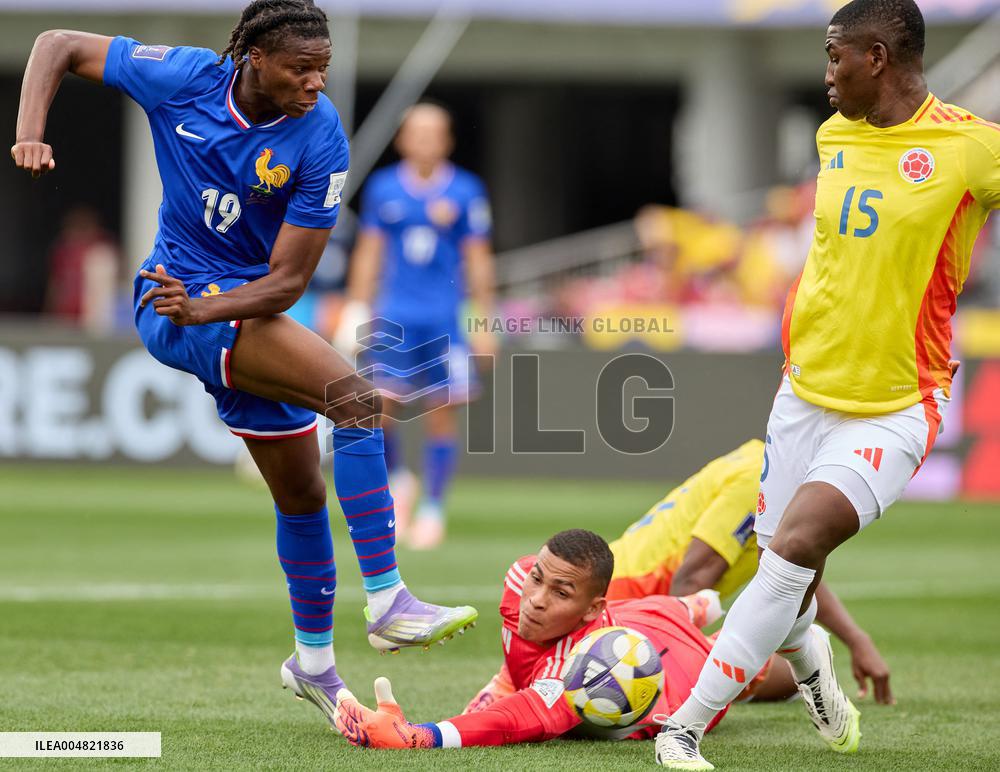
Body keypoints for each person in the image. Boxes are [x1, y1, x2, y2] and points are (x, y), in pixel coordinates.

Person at [11, 0, 478, 733]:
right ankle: (388, 599)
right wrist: (30, 133)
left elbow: (288, 282)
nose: (316, 82)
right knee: (356, 400)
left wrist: (211, 309)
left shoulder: (320, 136)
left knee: (301, 493)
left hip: (239, 310)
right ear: (254, 59)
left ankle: (313, 663)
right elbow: (58, 42)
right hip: (172, 301)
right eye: (302, 68)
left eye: (324, 68)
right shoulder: (185, 79)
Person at [654, 2, 1000, 768]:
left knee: (796, 548)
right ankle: (814, 671)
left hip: (895, 407)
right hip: (803, 393)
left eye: (835, 56)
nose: (826, 73)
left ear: (877, 57)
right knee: (785, 575)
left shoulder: (972, 148)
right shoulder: (833, 135)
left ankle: (682, 728)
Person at [332, 529, 745, 749]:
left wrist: (420, 735)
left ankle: (742, 630)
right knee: (680, 606)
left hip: (686, 670)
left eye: (560, 593)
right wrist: (505, 681)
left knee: (746, 663)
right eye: (537, 579)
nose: (535, 600)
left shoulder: (583, 673)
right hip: (647, 614)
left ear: (591, 610)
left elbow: (512, 721)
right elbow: (541, 599)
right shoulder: (520, 579)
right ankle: (698, 605)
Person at [608, 438, 891, 705]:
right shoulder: (756, 482)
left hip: (631, 596)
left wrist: (856, 639)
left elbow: (793, 570)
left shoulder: (766, 464)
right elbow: (691, 580)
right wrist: (675, 672)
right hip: (624, 607)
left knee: (792, 674)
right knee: (772, 673)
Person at [336, 102, 496, 550]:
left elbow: (477, 257)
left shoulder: (466, 190)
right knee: (380, 406)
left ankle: (433, 508)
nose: (425, 141)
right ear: (402, 140)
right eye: (417, 133)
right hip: (394, 317)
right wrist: (356, 306)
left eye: (434, 133)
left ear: (447, 141)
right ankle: (399, 482)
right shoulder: (384, 188)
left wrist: (484, 319)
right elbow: (370, 250)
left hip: (445, 318)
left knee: (442, 412)